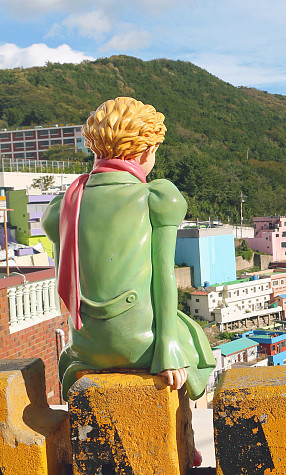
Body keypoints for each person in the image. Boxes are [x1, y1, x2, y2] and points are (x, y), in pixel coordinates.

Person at [42, 97, 215, 400]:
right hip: (141, 346)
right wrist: (168, 350)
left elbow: (68, 286)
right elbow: (163, 279)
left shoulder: (65, 204)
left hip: (86, 347)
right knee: (191, 334)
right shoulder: (156, 196)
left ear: (94, 147)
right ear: (147, 150)